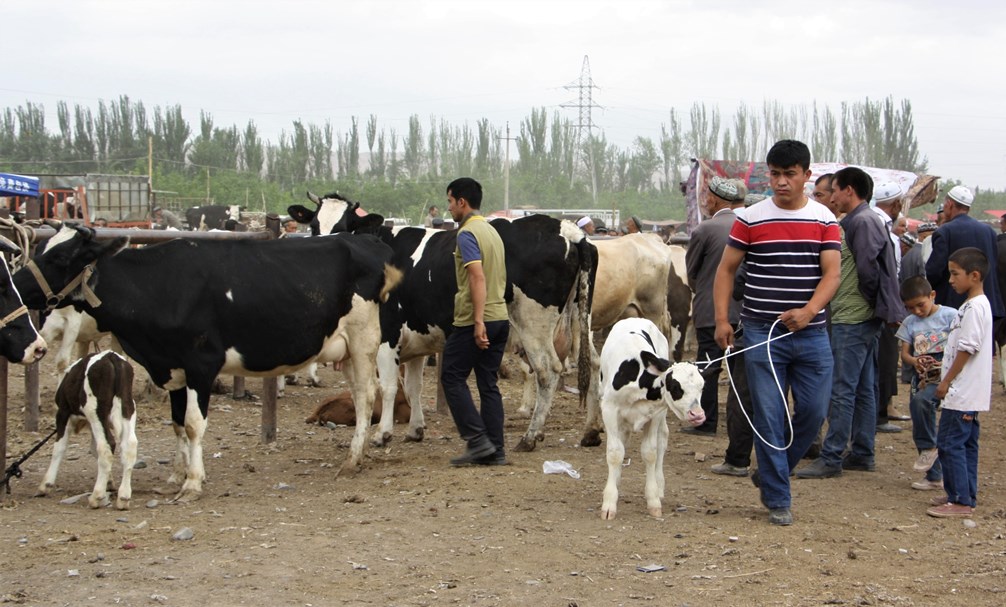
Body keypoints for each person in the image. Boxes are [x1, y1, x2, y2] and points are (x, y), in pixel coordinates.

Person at [713, 140, 840, 526]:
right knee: (768, 415)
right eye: (775, 174)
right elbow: (726, 270)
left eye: (790, 174)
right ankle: (778, 496)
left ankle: (772, 470)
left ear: (806, 175)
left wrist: (809, 310)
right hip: (761, 333)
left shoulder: (824, 220)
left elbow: (832, 274)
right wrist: (722, 320)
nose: (782, 182)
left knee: (814, 412)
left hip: (812, 333)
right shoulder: (750, 218)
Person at [796, 166, 902, 480]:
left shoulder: (862, 221)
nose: (833, 197)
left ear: (849, 190)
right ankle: (862, 452)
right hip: (858, 316)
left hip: (853, 318)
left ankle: (831, 457)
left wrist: (867, 303)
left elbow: (869, 269)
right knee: (864, 387)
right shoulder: (863, 220)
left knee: (842, 388)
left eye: (835, 190)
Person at [440, 177, 510, 467]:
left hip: (474, 319)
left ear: (462, 202)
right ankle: (496, 449)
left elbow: (477, 276)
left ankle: (477, 440)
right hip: (500, 317)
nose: (449, 208)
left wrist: (477, 321)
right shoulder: (492, 232)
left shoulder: (467, 234)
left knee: (452, 376)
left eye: (449, 201)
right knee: (487, 382)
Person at [926, 247, 993, 518]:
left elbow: (968, 347)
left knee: (950, 443)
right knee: (965, 444)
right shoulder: (973, 305)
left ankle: (960, 500)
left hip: (962, 391)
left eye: (955, 274)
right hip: (967, 391)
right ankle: (964, 493)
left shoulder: (975, 308)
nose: (951, 280)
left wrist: (946, 381)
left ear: (974, 275)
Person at [685, 176, 746, 438]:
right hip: (744, 313)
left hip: (711, 311)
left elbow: (692, 274)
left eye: (706, 197)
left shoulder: (704, 230)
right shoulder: (748, 226)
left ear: (713, 199)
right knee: (741, 372)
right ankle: (741, 425)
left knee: (708, 369)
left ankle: (706, 423)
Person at [896, 275, 956, 492]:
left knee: (923, 404)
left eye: (920, 305)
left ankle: (933, 453)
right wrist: (915, 361)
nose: (917, 312)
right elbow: (905, 354)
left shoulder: (951, 315)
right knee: (918, 410)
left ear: (932, 296)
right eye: (910, 308)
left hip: (946, 372)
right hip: (921, 374)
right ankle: (934, 472)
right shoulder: (910, 323)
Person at [926, 185, 1005, 319]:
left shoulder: (945, 231)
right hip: (986, 303)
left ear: (950, 204)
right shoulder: (988, 231)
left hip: (952, 306)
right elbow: (992, 265)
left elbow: (934, 271)